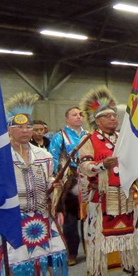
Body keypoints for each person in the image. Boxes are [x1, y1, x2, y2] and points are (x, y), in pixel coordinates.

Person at [0, 93, 78, 276]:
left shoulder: (44, 155)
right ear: (9, 130)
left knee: (56, 252)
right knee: (19, 258)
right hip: (15, 216)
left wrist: (54, 187)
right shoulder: (1, 158)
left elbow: (49, 178)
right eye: (20, 127)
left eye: (29, 126)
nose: (26, 131)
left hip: (42, 212)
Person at [77, 87, 138, 276]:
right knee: (98, 238)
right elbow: (83, 166)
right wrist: (101, 166)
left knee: (130, 235)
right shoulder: (89, 140)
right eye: (107, 116)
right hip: (103, 196)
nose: (112, 118)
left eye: (113, 115)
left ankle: (131, 270)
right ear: (97, 120)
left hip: (126, 194)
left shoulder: (123, 138)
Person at [49, 107, 87, 266]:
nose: (78, 117)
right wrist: (54, 179)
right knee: (70, 220)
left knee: (89, 217)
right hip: (68, 181)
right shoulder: (59, 137)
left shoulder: (88, 135)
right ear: (66, 119)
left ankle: (91, 248)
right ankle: (72, 252)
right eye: (74, 115)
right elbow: (52, 158)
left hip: (88, 179)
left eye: (80, 114)